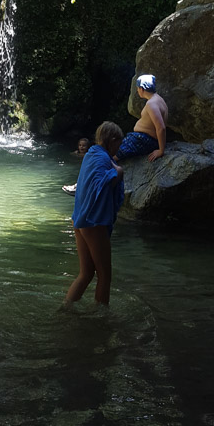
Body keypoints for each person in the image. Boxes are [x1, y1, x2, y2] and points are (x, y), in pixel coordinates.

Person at [64, 121, 124, 307]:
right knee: (105, 275)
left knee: (86, 273)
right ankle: (101, 317)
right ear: (112, 140)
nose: (119, 147)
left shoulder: (91, 155)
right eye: (119, 143)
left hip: (80, 220)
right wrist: (118, 173)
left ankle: (64, 310)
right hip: (93, 222)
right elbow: (100, 185)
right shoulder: (102, 158)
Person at [117, 74, 168, 162]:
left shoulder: (152, 104)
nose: (137, 90)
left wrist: (161, 150)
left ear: (142, 89)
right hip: (143, 138)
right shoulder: (158, 99)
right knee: (116, 145)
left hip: (146, 140)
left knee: (116, 151)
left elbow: (161, 128)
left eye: (138, 88)